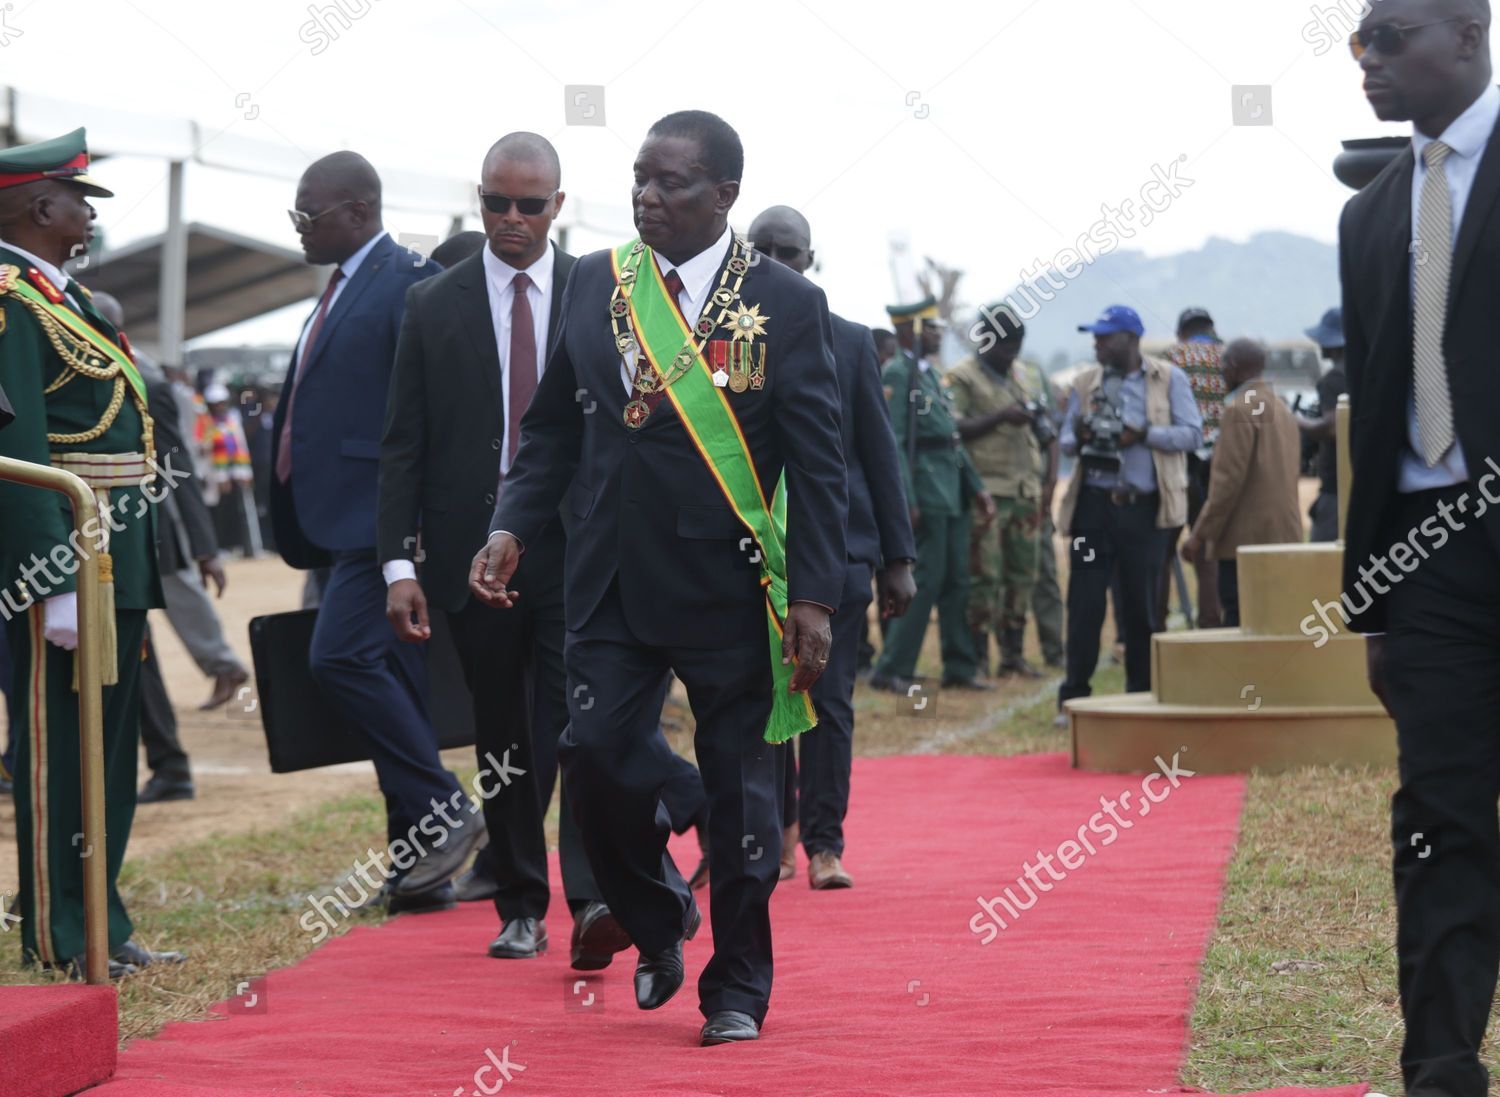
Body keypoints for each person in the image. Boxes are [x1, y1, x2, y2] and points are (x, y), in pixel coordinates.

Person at [471, 110, 846, 1046]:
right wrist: (512, 523)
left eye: (672, 182)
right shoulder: (598, 282)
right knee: (592, 752)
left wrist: (815, 595)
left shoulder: (787, 306)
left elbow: (820, 460)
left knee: (745, 798)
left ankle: (737, 987)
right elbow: (555, 424)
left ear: (724, 197)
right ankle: (659, 912)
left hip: (730, 586)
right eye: (640, 177)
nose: (649, 195)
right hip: (607, 579)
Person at [379, 132, 627, 966]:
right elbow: (401, 446)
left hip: (579, 547)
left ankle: (592, 895)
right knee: (504, 737)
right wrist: (399, 565)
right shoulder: (432, 303)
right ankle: (521, 899)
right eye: (496, 201)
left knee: (582, 726)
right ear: (477, 196)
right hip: (470, 557)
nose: (511, 218)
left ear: (559, 205)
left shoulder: (600, 292)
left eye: (529, 204)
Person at [1341, 4, 1500, 1092]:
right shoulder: (1372, 212)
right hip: (1434, 562)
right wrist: (1381, 601)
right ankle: (1442, 1066)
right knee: (1439, 815)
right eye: (1359, 44)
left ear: (1468, 31)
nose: (1368, 61)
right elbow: (1378, 411)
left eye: (1390, 37)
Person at [269, 151, 476, 914]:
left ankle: (447, 809)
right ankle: (421, 867)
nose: (297, 228)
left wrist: (410, 535)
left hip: (379, 523)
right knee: (395, 681)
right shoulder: (342, 287)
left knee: (341, 657)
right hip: (334, 522)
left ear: (357, 210)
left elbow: (433, 413)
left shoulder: (404, 284)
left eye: (307, 214)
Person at [0, 128, 183, 976]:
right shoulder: (8, 296)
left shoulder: (55, 291)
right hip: (68, 560)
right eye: (80, 200)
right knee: (57, 745)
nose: (87, 213)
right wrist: (54, 578)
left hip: (113, 550)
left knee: (107, 746)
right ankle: (57, 929)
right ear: (42, 207)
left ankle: (99, 917)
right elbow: (22, 448)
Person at [747, 204, 915, 890]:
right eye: (764, 250)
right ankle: (772, 837)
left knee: (830, 702)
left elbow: (879, 455)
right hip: (753, 560)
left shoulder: (849, 344)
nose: (777, 263)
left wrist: (897, 560)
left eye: (790, 252)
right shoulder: (724, 340)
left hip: (837, 556)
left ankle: (824, 844)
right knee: (760, 700)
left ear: (810, 261)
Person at [95, 292, 248, 725]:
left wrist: (206, 547)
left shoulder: (146, 380)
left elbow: (177, 466)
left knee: (180, 591)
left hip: (160, 517)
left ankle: (224, 666)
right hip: (120, 516)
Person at [1055, 305, 1201, 725]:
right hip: (1091, 511)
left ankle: (1140, 695)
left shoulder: (1169, 379)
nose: (1097, 344)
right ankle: (1072, 698)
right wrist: (1080, 433)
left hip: (1142, 511)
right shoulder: (1085, 382)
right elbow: (1066, 440)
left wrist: (1142, 434)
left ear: (1131, 339)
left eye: (1106, 337)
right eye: (1096, 337)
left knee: (1140, 607)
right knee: (1083, 603)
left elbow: (1192, 433)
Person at [869, 298, 995, 693]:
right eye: (932, 328)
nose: (939, 334)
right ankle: (892, 667)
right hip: (925, 489)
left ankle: (959, 666)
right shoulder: (898, 374)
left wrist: (977, 487)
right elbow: (891, 444)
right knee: (923, 580)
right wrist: (904, 500)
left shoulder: (932, 376)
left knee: (958, 579)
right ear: (910, 330)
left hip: (951, 487)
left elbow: (951, 438)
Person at [949, 306, 1056, 679]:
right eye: (1005, 346)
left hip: (1026, 490)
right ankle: (978, 657)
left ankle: (1013, 654)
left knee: (1022, 576)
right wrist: (1001, 417)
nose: (1011, 353)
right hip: (988, 492)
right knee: (985, 576)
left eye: (1016, 346)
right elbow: (953, 428)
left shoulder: (1022, 374)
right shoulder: (962, 377)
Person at [1179, 339, 1304, 627]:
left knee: (1242, 622)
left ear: (1233, 368)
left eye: (1223, 366)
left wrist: (1199, 535)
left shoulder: (1239, 409)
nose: (1220, 372)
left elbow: (1226, 484)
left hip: (1246, 544)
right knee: (1276, 622)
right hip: (1285, 537)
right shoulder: (1281, 407)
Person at [1158, 307, 1226, 628]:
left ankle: (1154, 622)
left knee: (1162, 549)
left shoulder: (1170, 357)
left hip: (1177, 463)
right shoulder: (1228, 357)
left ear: (1181, 332)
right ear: (1210, 328)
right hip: (1218, 467)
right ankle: (1211, 620)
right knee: (1207, 549)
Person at [1026, 373, 1067, 667]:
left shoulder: (1032, 377)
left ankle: (1054, 652)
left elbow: (1050, 435)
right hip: (1000, 495)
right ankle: (1008, 655)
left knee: (1046, 577)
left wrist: (1051, 481)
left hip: (1035, 496)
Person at [1298, 307, 1347, 542]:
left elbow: (1331, 427)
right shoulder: (1365, 373)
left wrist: (1296, 421)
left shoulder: (1334, 380)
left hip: (1335, 492)